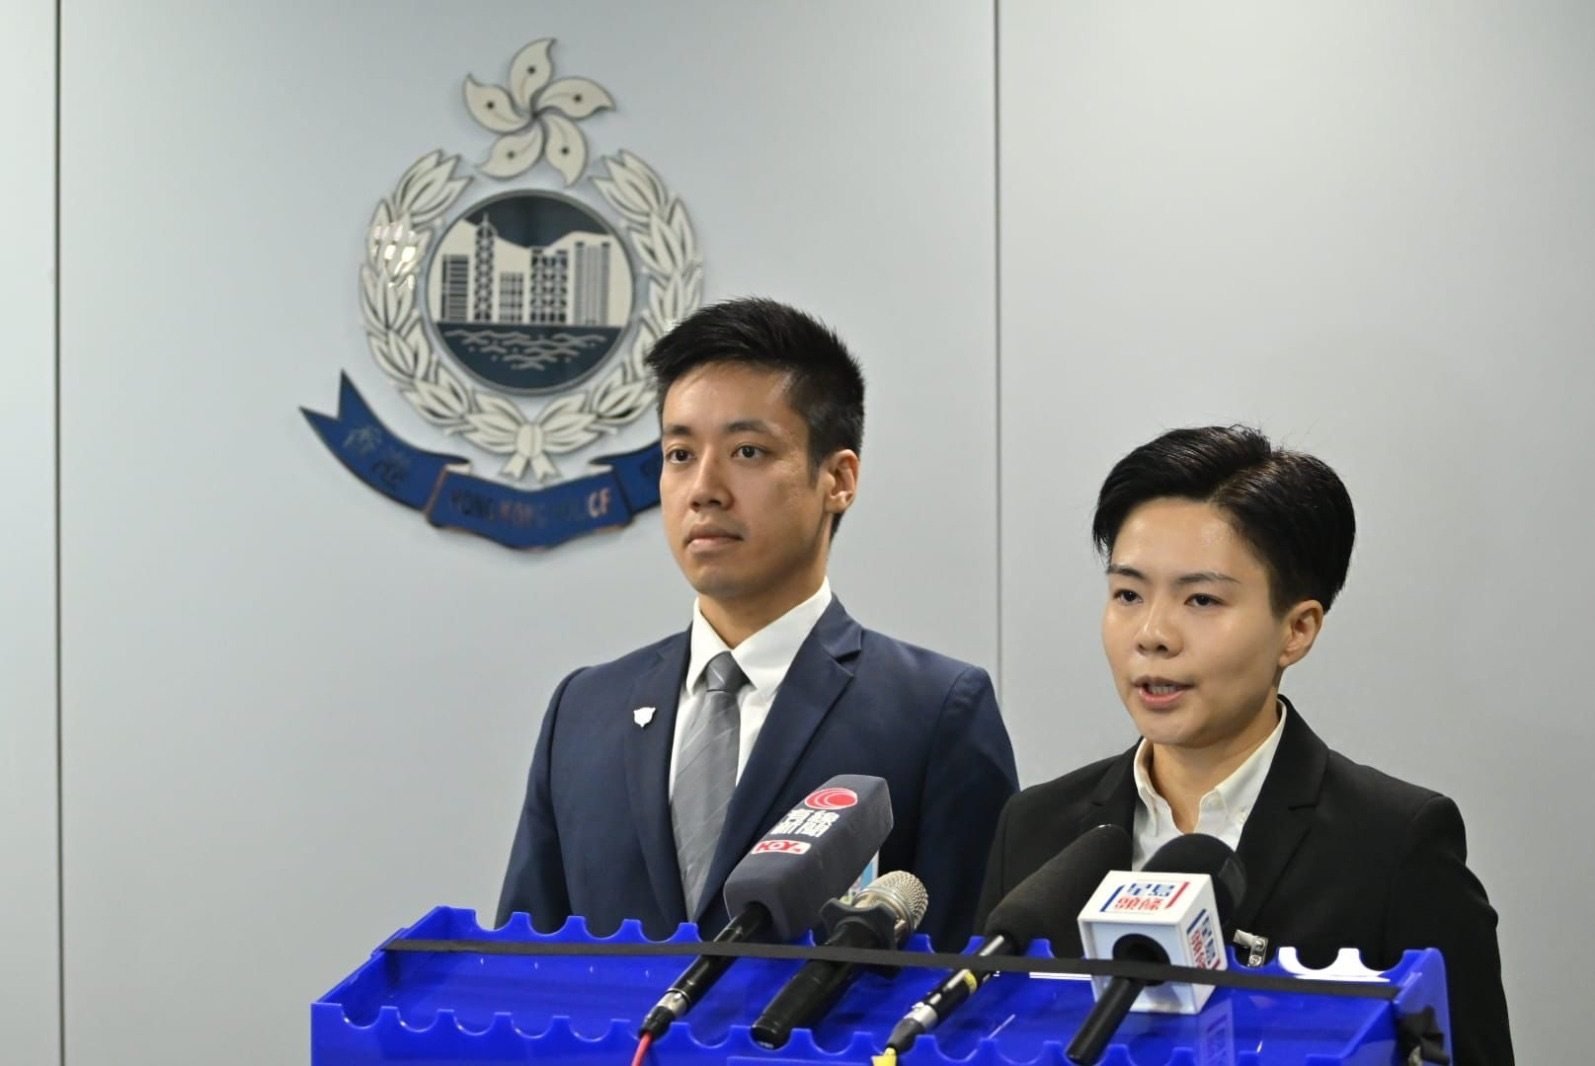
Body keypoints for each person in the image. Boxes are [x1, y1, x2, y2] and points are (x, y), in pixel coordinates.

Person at [976, 425, 1512, 1065]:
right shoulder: (1036, 831)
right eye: (1127, 594)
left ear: (1297, 630)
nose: (1152, 634)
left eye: (1201, 599)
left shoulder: (1395, 845)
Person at [498, 297, 1018, 949]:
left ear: (839, 479)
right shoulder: (584, 710)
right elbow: (521, 969)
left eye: (747, 451)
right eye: (680, 454)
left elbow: (966, 988)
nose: (704, 488)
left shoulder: (934, 713)